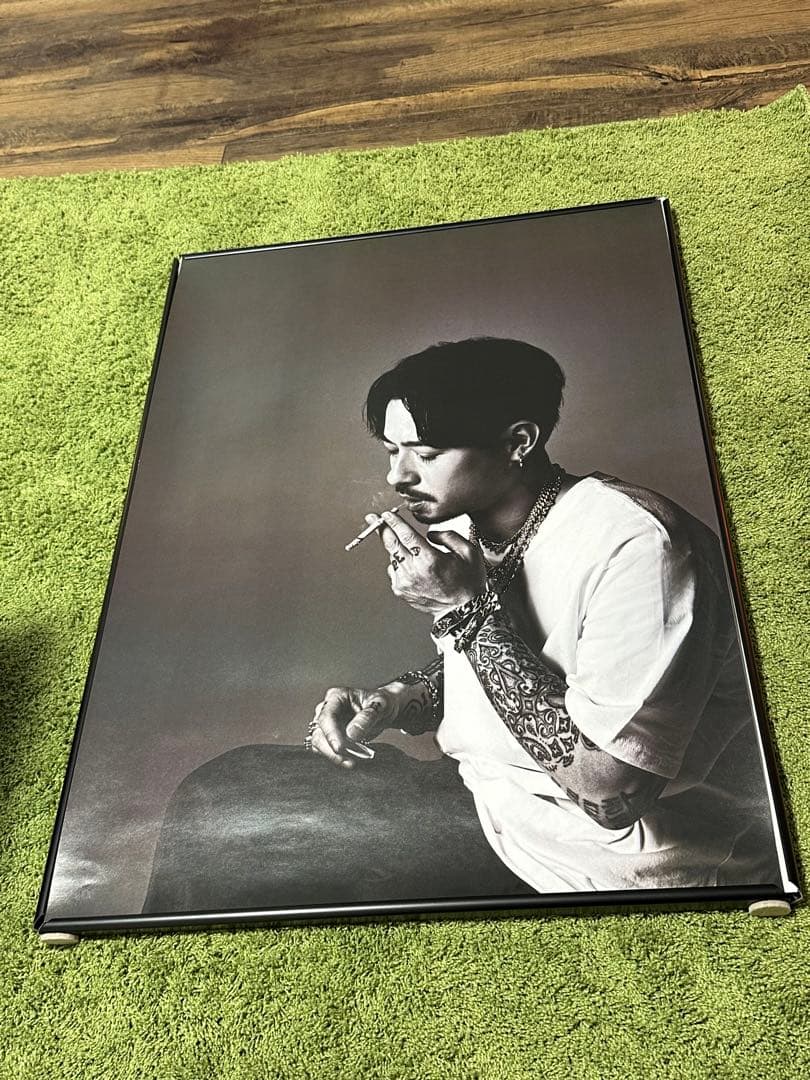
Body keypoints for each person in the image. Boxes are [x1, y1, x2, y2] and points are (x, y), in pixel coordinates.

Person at [143, 337, 778, 914]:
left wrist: (460, 608)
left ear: (518, 442)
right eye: (392, 451)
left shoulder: (642, 548)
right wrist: (397, 699)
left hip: (599, 858)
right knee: (227, 787)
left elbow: (612, 791)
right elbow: (522, 666)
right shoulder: (472, 522)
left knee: (249, 843)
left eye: (426, 453)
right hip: (489, 798)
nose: (397, 476)